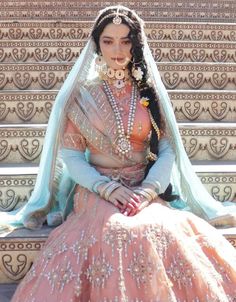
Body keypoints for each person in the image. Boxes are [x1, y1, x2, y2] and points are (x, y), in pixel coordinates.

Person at [9, 5, 236, 302]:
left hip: (143, 188)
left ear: (137, 44)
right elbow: (73, 157)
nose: (117, 49)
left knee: (160, 226)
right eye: (108, 41)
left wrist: (148, 190)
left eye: (126, 41)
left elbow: (166, 151)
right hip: (96, 190)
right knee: (117, 229)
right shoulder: (81, 96)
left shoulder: (149, 93)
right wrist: (106, 187)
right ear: (97, 44)